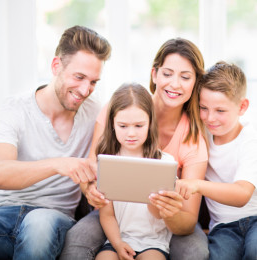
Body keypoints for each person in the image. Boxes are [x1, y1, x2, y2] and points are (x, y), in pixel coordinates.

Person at [60, 38, 209, 260]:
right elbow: (91, 169)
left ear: (195, 82)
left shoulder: (193, 139)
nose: (175, 84)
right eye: (167, 74)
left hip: (162, 223)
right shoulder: (122, 106)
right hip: (114, 212)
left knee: (195, 253)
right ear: (154, 74)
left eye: (185, 77)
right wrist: (90, 190)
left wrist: (166, 211)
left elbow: (187, 220)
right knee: (76, 244)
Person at [0, 25, 111, 260]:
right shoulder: (13, 110)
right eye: (79, 77)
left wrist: (91, 190)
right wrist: (58, 164)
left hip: (52, 219)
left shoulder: (95, 115)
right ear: (56, 66)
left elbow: (92, 171)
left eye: (93, 82)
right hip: (3, 216)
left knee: (39, 224)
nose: (84, 90)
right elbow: (0, 173)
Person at [175, 61, 257, 260]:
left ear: (242, 106)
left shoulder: (250, 138)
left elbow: (242, 194)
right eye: (203, 108)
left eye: (220, 111)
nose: (210, 118)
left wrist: (197, 185)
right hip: (222, 228)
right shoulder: (200, 134)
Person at [95, 82, 177, 260]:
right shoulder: (108, 161)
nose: (131, 133)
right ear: (112, 124)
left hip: (154, 242)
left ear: (150, 123)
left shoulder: (164, 162)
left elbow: (160, 214)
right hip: (118, 238)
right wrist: (117, 244)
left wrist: (153, 196)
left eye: (139, 126)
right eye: (123, 126)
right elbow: (107, 215)